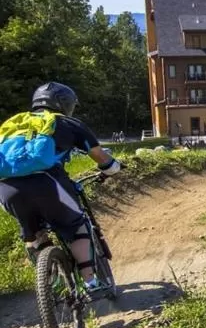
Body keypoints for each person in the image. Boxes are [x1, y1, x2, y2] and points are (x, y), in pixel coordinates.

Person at [0, 82, 122, 290]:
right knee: (76, 225)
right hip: (48, 185)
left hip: (6, 189)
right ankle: (91, 281)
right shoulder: (68, 123)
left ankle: (50, 282)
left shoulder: (14, 124)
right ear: (63, 104)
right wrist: (113, 168)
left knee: (32, 232)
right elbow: (102, 159)